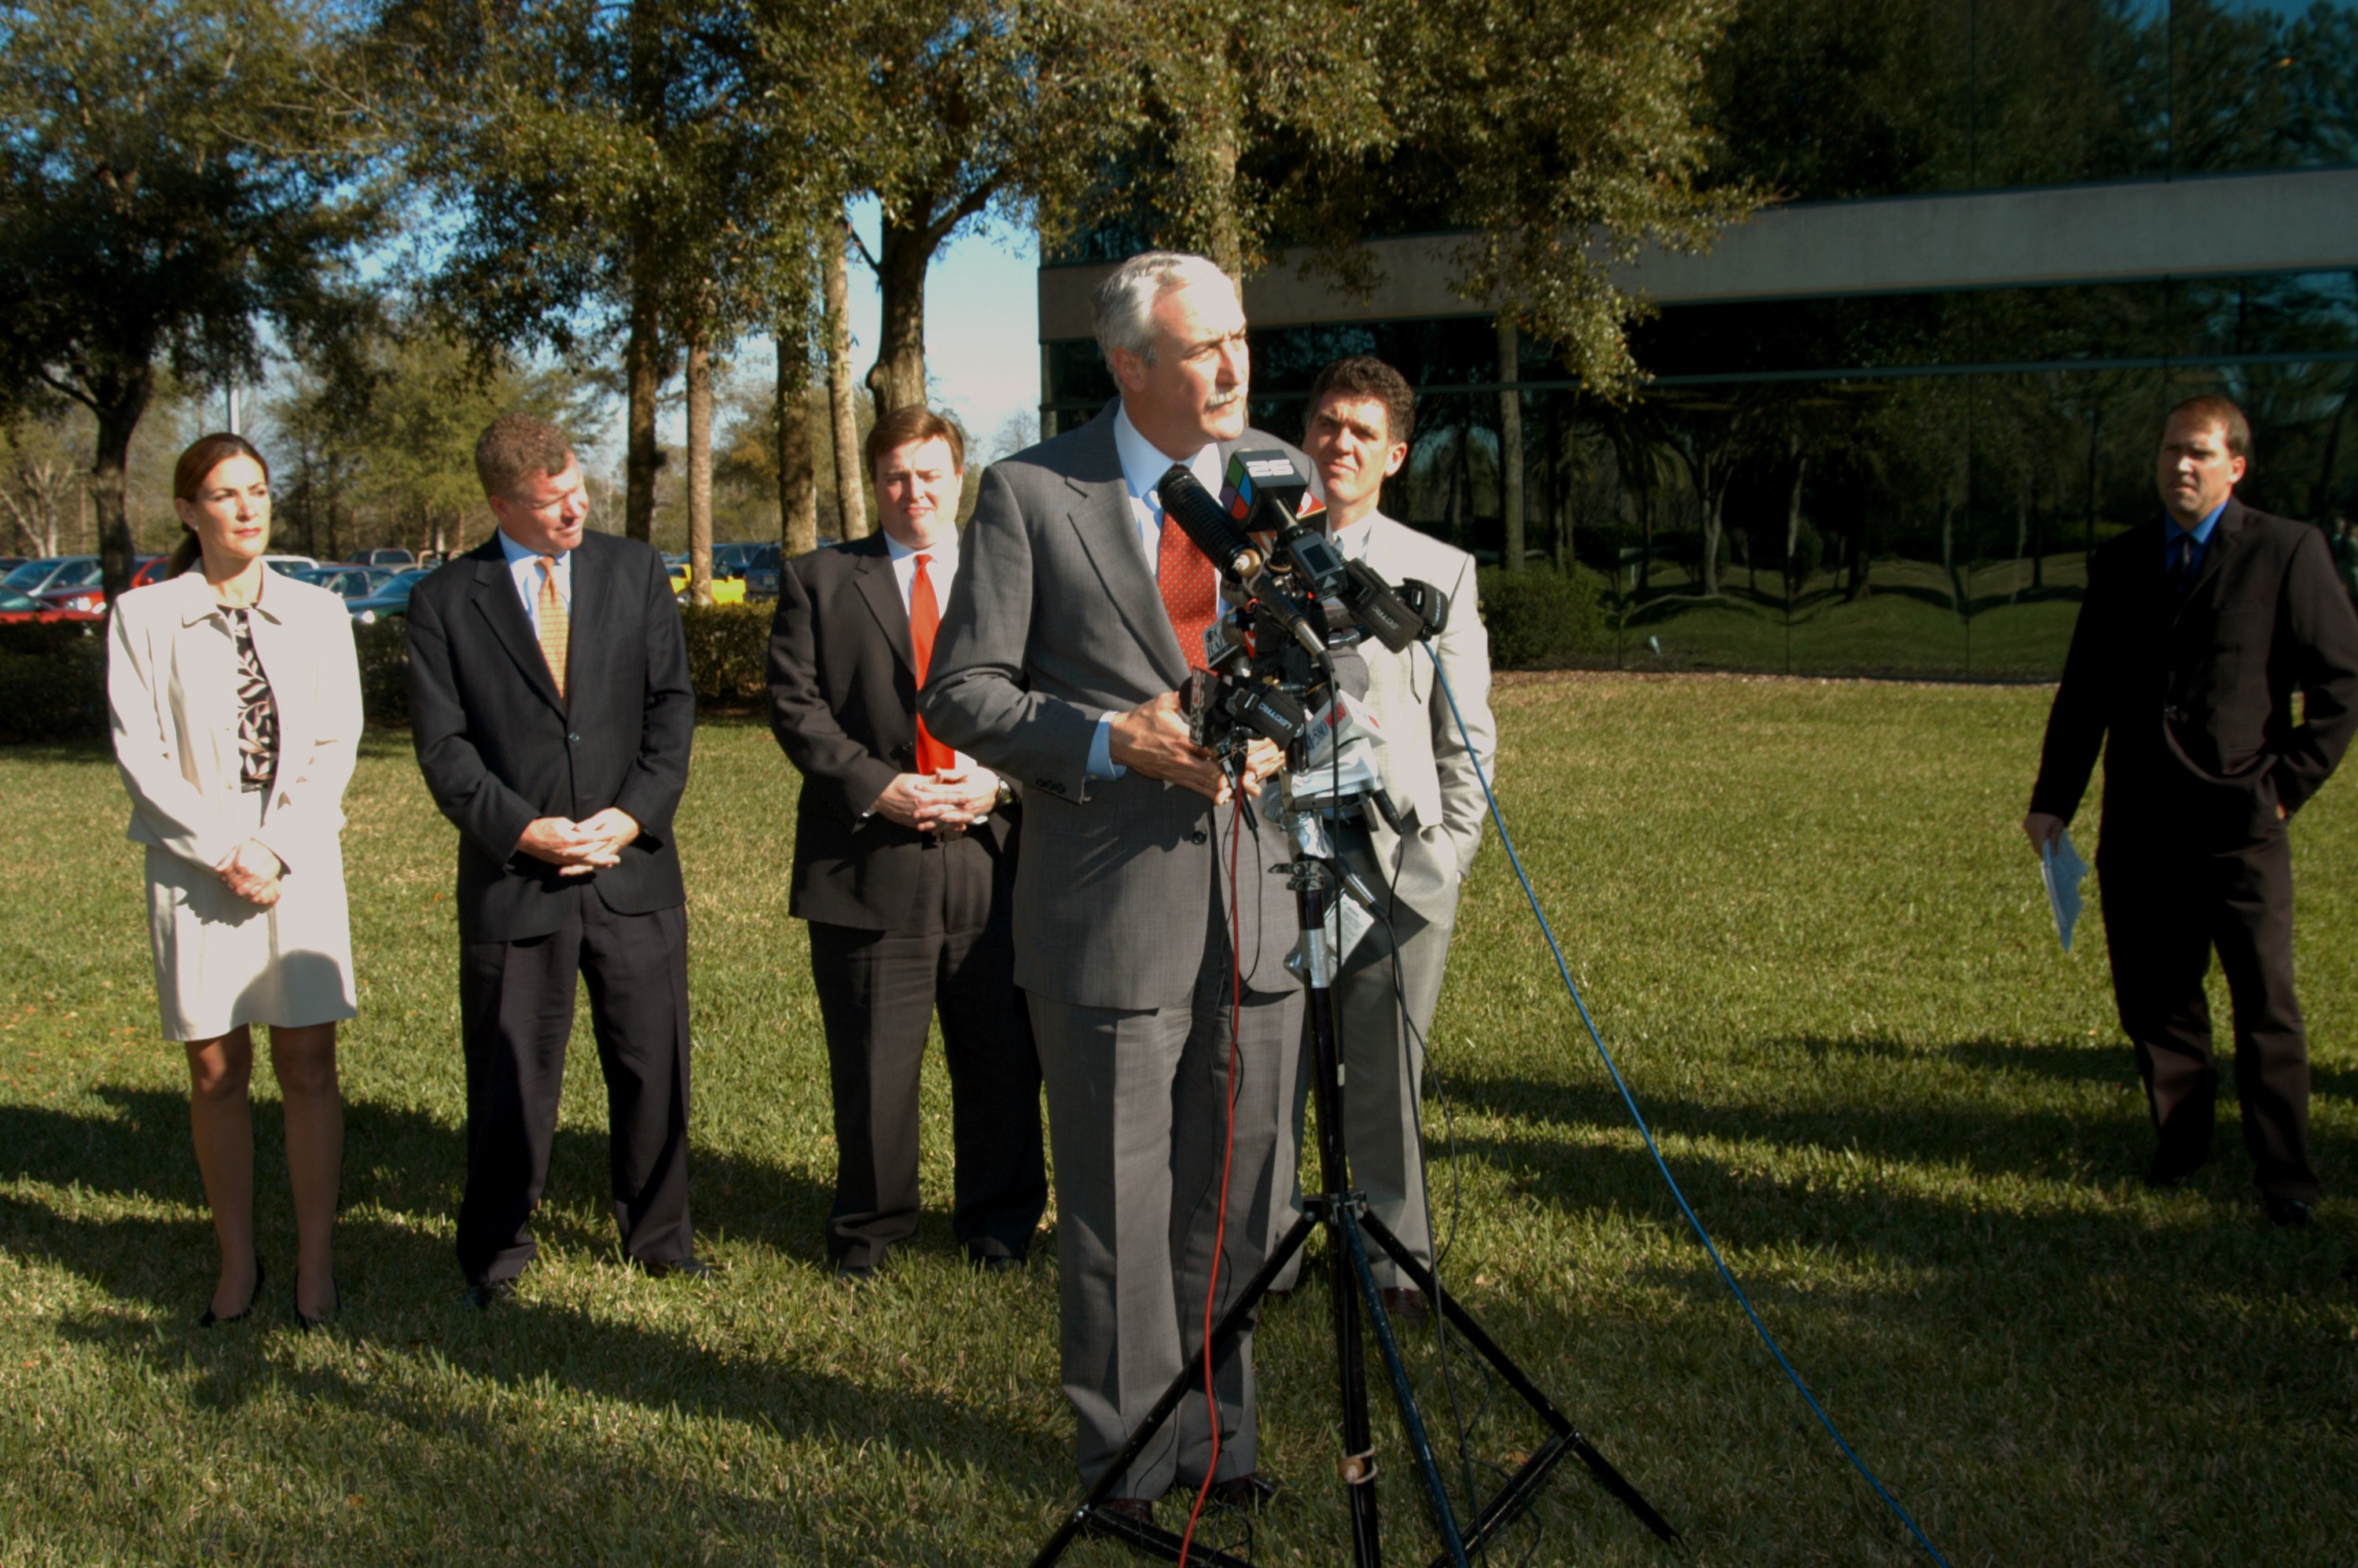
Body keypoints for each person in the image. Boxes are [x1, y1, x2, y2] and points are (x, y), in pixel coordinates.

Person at [923, 251, 1304, 1522]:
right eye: (1206, 349)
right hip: (1105, 914)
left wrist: (1276, 727)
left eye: (1242, 339)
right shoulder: (1034, 496)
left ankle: (1223, 1438)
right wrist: (1108, 741)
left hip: (1256, 907)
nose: (1236, 366)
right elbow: (963, 693)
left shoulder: (1264, 487)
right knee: (1121, 1209)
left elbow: (1310, 663)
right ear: (1130, 366)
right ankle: (1130, 1461)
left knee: (1235, 1194)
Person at [2025, 395, 2358, 1227]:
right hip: (2139, 826)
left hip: (2241, 825)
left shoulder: (2289, 552)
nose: (2183, 465)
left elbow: (2341, 685)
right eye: (2173, 450)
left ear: (2236, 466)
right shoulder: (2123, 561)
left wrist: (2284, 788)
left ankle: (2286, 1177)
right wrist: (2052, 801)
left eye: (2201, 453)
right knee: (2156, 1000)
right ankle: (2182, 1146)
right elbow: (2086, 692)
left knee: (2265, 1005)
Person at [406, 413, 707, 1303]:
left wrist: (632, 816)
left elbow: (671, 710)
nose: (574, 509)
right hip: (517, 878)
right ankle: (497, 1252)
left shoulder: (636, 571)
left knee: (654, 1065)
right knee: (511, 1077)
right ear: (501, 504)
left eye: (579, 489)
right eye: (551, 502)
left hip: (632, 871)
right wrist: (522, 830)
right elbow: (445, 750)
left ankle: (660, 1237)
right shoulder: (442, 602)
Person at [765, 405, 1046, 1283]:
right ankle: (871, 1230)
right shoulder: (820, 579)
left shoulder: (1013, 578)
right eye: (895, 476)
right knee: (875, 1065)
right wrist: (872, 785)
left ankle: (1000, 1225)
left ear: (957, 478)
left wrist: (1001, 782)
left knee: (1001, 1057)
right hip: (868, 856)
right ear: (874, 482)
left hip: (995, 854)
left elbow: (1059, 700)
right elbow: (795, 706)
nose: (912, 491)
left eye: (929, 474)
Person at [108, 432, 362, 1329]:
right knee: (216, 1069)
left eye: (257, 491)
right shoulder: (143, 618)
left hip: (296, 860)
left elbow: (335, 747)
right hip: (195, 866)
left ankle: (316, 1262)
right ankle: (236, 1260)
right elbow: (140, 757)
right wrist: (227, 851)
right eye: (225, 494)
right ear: (188, 510)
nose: (247, 508)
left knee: (307, 1062)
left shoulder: (320, 613)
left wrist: (276, 849)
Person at [1266, 357, 1496, 1321]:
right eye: (1326, 426)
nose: (1340, 445)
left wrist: (1446, 851)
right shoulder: (1257, 561)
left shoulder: (1437, 570)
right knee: (1274, 1067)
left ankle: (1397, 1261)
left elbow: (1467, 735)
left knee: (1385, 1073)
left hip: (1397, 856)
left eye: (1363, 432)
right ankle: (1269, 1254)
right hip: (1278, 850)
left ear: (1394, 453)